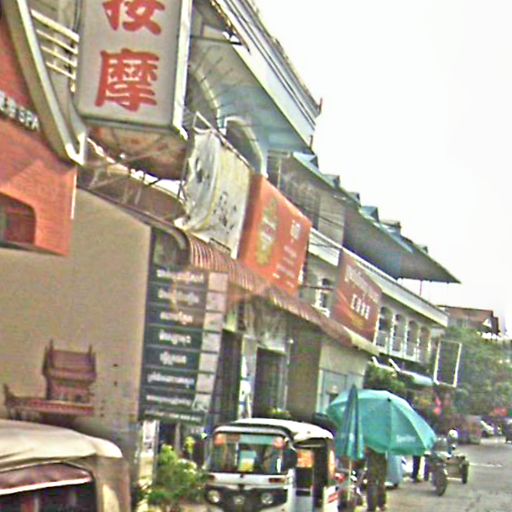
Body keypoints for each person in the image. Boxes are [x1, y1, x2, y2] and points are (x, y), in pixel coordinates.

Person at [366, 448, 387, 512]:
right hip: (382, 452)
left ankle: (371, 506)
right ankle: (382, 504)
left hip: (372, 453)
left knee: (372, 482)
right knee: (381, 481)